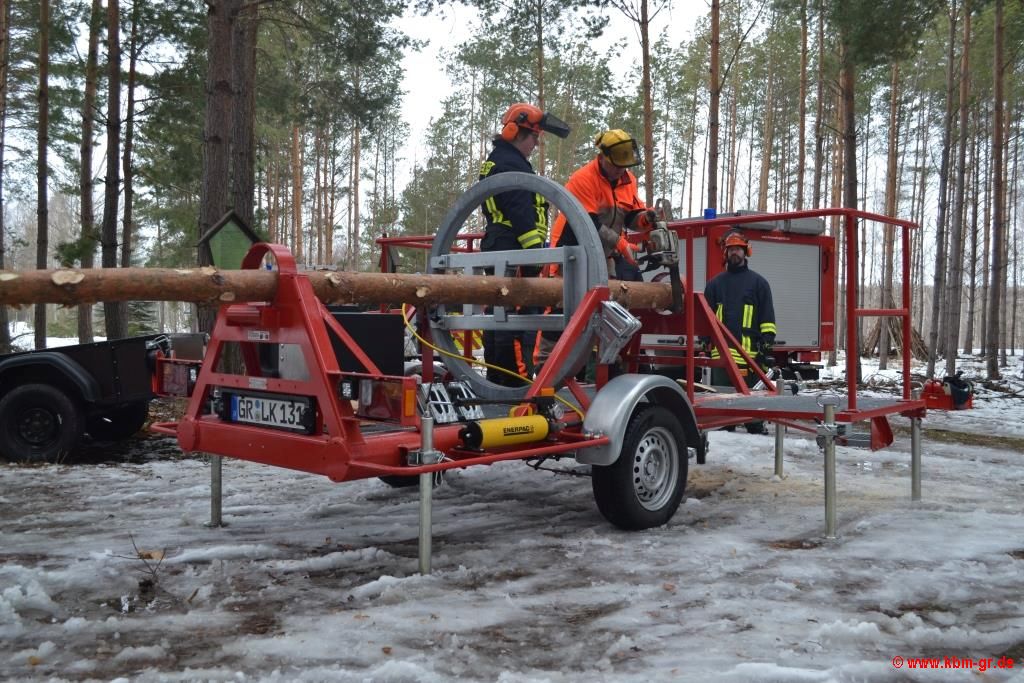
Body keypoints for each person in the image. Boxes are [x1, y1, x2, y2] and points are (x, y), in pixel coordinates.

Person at [478, 102, 570, 386]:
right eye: (533, 137)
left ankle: (497, 377)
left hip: (500, 246)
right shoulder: (512, 166)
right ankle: (515, 383)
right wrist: (534, 255)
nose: (535, 144)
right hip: (514, 250)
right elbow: (521, 214)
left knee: (499, 315)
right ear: (514, 132)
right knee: (515, 319)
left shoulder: (501, 161)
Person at [549, 129, 658, 281]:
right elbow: (589, 224)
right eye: (616, 165)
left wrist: (645, 218)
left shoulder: (628, 180)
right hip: (571, 252)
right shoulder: (583, 179)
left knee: (610, 295)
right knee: (570, 300)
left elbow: (629, 217)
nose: (620, 170)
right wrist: (620, 244)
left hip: (603, 254)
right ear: (601, 158)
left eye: (624, 166)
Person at [703, 229, 777, 433]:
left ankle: (754, 439)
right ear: (725, 254)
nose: (734, 253)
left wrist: (766, 343)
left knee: (752, 415)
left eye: (738, 249)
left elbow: (767, 318)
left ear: (746, 252)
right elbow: (705, 319)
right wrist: (704, 340)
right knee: (725, 415)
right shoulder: (714, 285)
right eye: (731, 249)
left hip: (750, 357)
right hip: (722, 358)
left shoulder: (759, 284)